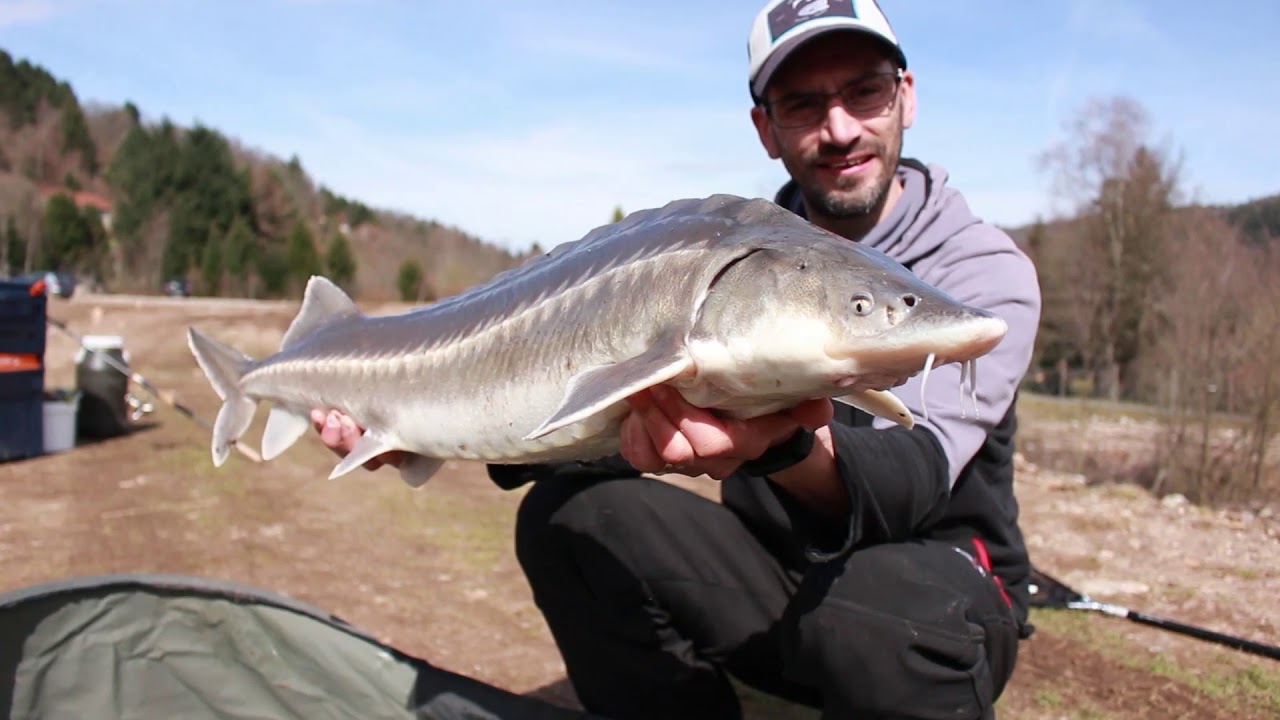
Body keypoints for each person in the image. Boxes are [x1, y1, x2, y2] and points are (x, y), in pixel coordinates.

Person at [313, 1, 1042, 717]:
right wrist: (412, 422)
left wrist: (780, 445)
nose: (839, 128)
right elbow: (614, 414)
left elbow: (914, 480)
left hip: (943, 588)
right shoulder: (730, 255)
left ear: (905, 96)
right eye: (802, 104)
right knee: (569, 518)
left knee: (878, 617)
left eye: (865, 91)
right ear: (766, 127)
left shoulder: (981, 269)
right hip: (782, 578)